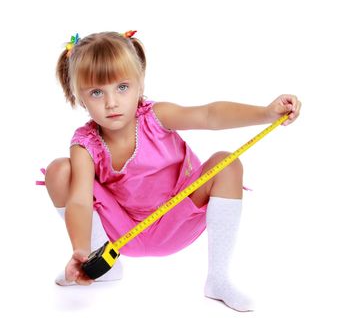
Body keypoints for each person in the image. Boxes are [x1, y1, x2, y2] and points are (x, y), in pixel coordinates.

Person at [44, 31, 301, 312]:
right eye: (96, 92)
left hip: (176, 219)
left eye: (122, 87)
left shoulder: (156, 117)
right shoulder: (86, 143)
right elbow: (80, 200)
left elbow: (209, 115)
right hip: (121, 232)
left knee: (226, 163)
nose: (111, 102)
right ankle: (103, 264)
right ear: (80, 98)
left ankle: (218, 278)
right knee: (59, 170)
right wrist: (81, 252)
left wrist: (265, 113)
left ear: (140, 84)